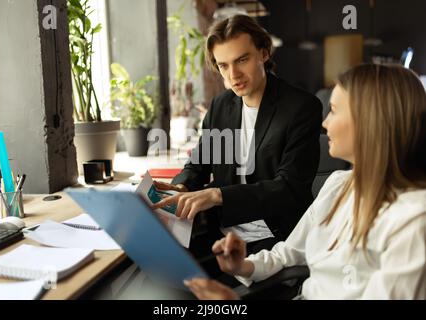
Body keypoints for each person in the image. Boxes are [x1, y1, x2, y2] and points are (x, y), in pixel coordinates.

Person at [184, 64, 426, 300]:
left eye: (333, 110)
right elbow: (289, 253)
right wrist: (243, 265)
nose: (324, 122)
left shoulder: (412, 222)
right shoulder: (339, 184)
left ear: (370, 122)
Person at [154, 15, 322, 257]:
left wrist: (217, 195)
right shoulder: (222, 105)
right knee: (161, 260)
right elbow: (199, 163)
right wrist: (181, 186)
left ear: (264, 53)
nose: (233, 75)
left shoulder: (301, 108)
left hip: (275, 234)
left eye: (242, 60)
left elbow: (288, 188)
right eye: (223, 65)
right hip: (225, 227)